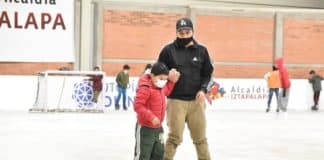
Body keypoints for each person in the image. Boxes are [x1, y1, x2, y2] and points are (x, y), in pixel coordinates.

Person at [157, 17, 213, 160]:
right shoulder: (168, 50)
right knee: (174, 138)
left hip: (197, 102)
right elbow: (157, 73)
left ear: (192, 32)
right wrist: (167, 75)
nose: (184, 35)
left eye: (187, 32)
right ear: (176, 33)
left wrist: (203, 89)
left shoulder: (202, 51)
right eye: (181, 33)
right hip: (176, 101)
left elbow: (207, 74)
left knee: (200, 139)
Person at [133, 62, 180, 160]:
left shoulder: (161, 87)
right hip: (145, 128)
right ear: (152, 75)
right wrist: (151, 117)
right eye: (160, 79)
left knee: (159, 153)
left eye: (165, 79)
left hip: (158, 128)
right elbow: (138, 105)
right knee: (143, 155)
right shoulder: (145, 88)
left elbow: (167, 90)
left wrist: (172, 82)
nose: (163, 81)